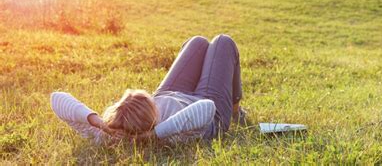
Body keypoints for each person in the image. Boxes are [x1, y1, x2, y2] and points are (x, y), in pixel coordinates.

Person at [51, 34, 246, 144]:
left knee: (197, 43)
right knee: (223, 42)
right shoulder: (171, 135)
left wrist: (100, 124)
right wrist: (154, 135)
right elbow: (207, 107)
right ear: (152, 116)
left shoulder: (111, 133)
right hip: (208, 107)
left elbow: (57, 98)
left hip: (170, 93)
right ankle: (237, 110)